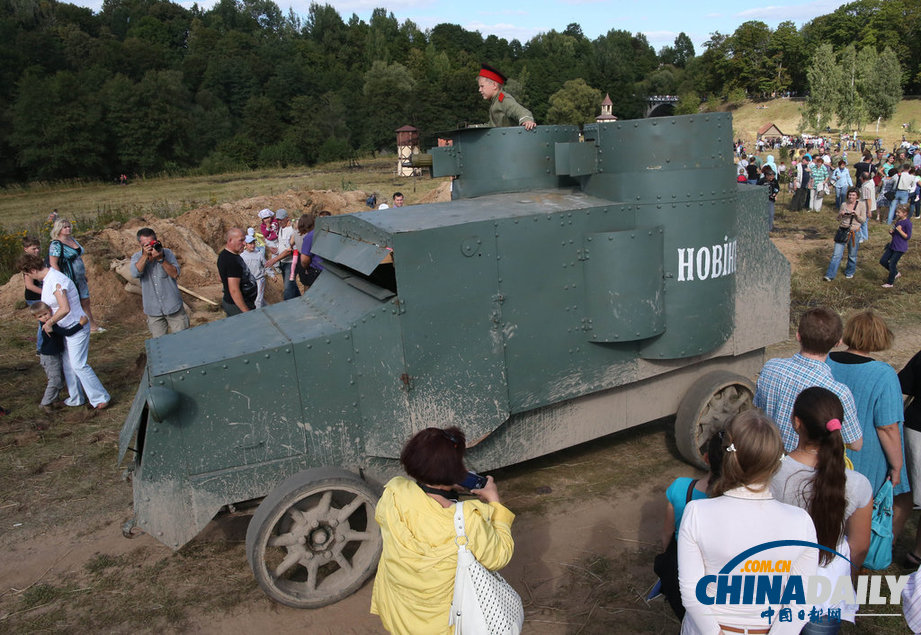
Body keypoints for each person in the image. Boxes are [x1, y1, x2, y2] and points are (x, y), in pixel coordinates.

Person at [678, 410, 818, 635]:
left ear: (727, 454)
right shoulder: (801, 522)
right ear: (776, 461)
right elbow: (802, 600)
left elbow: (692, 590)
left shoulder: (696, 512)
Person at [371, 427, 515, 633]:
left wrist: (445, 482)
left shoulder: (393, 493)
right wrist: (495, 502)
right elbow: (500, 556)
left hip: (400, 613)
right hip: (442, 625)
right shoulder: (467, 520)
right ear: (455, 470)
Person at [771, 387, 872, 633]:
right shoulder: (858, 484)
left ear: (796, 423)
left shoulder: (769, 473)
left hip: (775, 583)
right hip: (827, 586)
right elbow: (859, 547)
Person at [827, 311, 912, 545]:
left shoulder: (827, 361)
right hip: (866, 455)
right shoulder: (883, 374)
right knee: (861, 512)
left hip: (828, 446)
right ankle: (859, 560)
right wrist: (897, 466)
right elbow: (888, 427)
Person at [754, 307, 862, 454]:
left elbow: (758, 408)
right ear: (838, 342)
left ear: (798, 336)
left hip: (767, 458)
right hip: (806, 467)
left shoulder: (771, 367)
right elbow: (855, 443)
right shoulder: (839, 392)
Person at [17, 254, 110, 409]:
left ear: (32, 270)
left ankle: (101, 397)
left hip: (76, 325)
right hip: (65, 328)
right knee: (68, 365)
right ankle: (76, 398)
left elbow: (65, 308)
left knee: (78, 364)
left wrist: (50, 323)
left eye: (26, 273)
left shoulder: (56, 280)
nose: (27, 277)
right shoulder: (48, 280)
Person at [657, 432, 725, 620]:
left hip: (684, 564)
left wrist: (668, 555)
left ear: (706, 458)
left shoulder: (680, 487)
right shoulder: (735, 499)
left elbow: (667, 533)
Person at [30, 302, 89, 413]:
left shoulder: (49, 324)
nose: (44, 317)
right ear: (35, 318)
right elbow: (67, 332)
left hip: (54, 355)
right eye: (40, 316)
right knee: (55, 380)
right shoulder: (50, 326)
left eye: (45, 314)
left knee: (59, 378)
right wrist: (81, 324)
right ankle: (46, 403)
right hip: (49, 357)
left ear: (50, 310)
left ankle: (54, 399)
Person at [130, 228, 189, 337]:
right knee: (159, 346)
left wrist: (161, 259)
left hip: (173, 307)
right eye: (146, 245)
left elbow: (175, 274)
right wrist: (145, 256)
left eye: (152, 243)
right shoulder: (137, 257)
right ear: (140, 244)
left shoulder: (167, 253)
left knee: (184, 341)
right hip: (153, 311)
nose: (150, 247)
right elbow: (135, 273)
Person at [49, 219, 103, 333]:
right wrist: (61, 279)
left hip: (80, 277)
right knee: (73, 302)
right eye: (65, 227)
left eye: (69, 226)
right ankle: (76, 326)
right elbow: (53, 263)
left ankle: (92, 326)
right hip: (68, 277)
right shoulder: (56, 244)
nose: (68, 229)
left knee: (85, 301)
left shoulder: (72, 240)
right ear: (59, 229)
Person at [898, 349, 921, 566]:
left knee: (907, 491)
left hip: (916, 430)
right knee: (906, 492)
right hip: (917, 430)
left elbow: (902, 388)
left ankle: (889, 541)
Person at [823, 187, 866, 281]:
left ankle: (850, 272)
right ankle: (830, 275)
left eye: (853, 195)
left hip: (854, 232)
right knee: (836, 254)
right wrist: (841, 214)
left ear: (857, 196)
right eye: (850, 195)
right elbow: (838, 219)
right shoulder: (843, 204)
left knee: (852, 254)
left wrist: (856, 215)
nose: (851, 197)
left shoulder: (861, 205)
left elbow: (863, 220)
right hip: (843, 230)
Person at [476, 64, 536, 130]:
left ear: (494, 85)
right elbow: (492, 125)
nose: (479, 90)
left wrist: (527, 120)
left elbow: (519, 111)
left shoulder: (504, 100)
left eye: (482, 86)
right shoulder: (495, 102)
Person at [217, 228, 257, 316]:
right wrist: (246, 312)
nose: (244, 243)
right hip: (237, 306)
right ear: (230, 240)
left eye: (244, 240)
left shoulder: (227, 255)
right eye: (241, 240)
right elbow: (234, 290)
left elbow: (220, 278)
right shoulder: (231, 261)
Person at [266, 209, 299, 300]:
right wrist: (277, 251)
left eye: (281, 219)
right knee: (291, 286)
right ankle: (301, 301)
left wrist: (274, 260)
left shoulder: (292, 230)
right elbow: (284, 246)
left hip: (291, 263)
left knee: (288, 289)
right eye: (278, 220)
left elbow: (289, 250)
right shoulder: (281, 228)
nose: (279, 221)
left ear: (287, 218)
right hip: (284, 262)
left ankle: (287, 308)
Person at [880, 204, 912, 288]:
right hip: (893, 245)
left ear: (905, 213)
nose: (897, 214)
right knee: (883, 261)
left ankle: (890, 283)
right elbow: (896, 235)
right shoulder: (898, 221)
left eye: (899, 212)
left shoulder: (908, 223)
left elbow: (907, 237)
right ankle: (895, 273)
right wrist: (892, 233)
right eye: (896, 212)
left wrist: (900, 230)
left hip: (900, 247)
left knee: (892, 264)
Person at [240, 234, 269, 308]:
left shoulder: (259, 254)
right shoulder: (242, 256)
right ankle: (270, 310)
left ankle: (259, 317)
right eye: (250, 243)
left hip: (260, 279)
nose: (252, 245)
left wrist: (271, 274)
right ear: (245, 244)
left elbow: (266, 265)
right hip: (249, 281)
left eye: (253, 243)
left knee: (258, 300)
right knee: (255, 299)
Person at [298, 213, 324, 289]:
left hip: (316, 271)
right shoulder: (322, 231)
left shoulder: (309, 237)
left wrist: (306, 268)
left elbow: (304, 260)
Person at [757, 166, 779, 231]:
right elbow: (756, 189)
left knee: (771, 214)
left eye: (773, 176)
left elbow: (777, 188)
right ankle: (761, 227)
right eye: (771, 176)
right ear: (767, 175)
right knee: (763, 214)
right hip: (762, 200)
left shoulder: (774, 181)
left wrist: (775, 193)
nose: (772, 178)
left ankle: (770, 228)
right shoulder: (761, 181)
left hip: (771, 200)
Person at [857, 171, 876, 243]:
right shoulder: (870, 184)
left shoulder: (865, 187)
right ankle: (865, 237)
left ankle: (863, 237)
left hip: (865, 208)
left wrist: (869, 210)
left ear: (862, 178)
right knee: (864, 223)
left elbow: (868, 199)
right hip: (870, 207)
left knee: (862, 223)